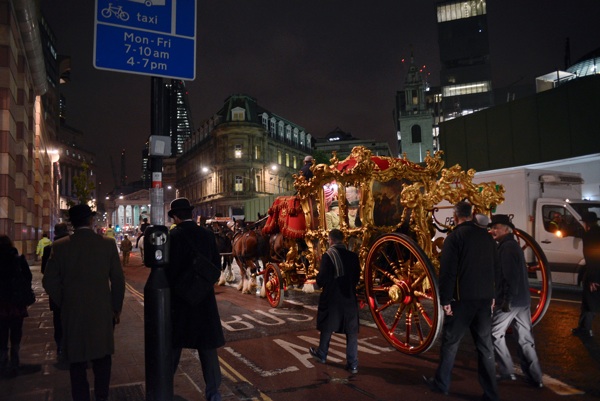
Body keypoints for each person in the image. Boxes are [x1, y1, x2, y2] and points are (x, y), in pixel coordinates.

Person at [43, 204, 125, 401]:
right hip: (102, 311)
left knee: (77, 362)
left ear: (72, 222)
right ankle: (101, 397)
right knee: (102, 359)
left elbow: (49, 280)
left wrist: (65, 301)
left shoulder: (59, 246)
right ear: (90, 220)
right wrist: (116, 308)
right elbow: (118, 281)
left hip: (73, 313)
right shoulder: (106, 244)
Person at [423, 201, 500, 401]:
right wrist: (493, 296)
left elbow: (447, 272)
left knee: (450, 343)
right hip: (484, 300)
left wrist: (446, 299)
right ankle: (491, 392)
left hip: (462, 299)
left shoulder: (454, 237)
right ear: (472, 214)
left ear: (455, 217)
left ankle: (442, 385)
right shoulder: (487, 238)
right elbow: (495, 269)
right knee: (485, 346)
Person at [166, 198, 225, 401]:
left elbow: (167, 271)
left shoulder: (172, 236)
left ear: (175, 216)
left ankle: (164, 387)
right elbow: (217, 266)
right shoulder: (207, 235)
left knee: (173, 345)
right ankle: (214, 392)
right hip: (204, 299)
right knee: (207, 347)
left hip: (180, 300)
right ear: (190, 214)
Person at [489, 214, 543, 388]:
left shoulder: (506, 248)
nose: (492, 230)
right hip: (523, 300)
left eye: (496, 227)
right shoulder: (513, 246)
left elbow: (509, 277)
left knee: (495, 333)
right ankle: (536, 377)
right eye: (492, 227)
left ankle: (506, 371)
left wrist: (506, 301)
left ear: (507, 229)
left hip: (510, 301)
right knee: (525, 339)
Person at [309, 229, 361, 374]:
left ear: (331, 240)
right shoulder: (353, 256)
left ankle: (322, 353)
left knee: (327, 326)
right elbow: (356, 277)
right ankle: (353, 364)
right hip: (349, 297)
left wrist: (315, 284)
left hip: (332, 297)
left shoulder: (328, 256)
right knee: (351, 332)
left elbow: (322, 278)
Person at [0, 235, 33, 377]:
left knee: (1, 330)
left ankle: (2, 357)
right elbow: (28, 277)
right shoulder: (18, 259)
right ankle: (15, 356)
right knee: (16, 328)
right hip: (15, 302)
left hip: (1, 302)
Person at [41, 222, 70, 359]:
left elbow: (44, 272)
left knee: (57, 320)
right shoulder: (74, 246)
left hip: (57, 294)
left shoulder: (49, 249)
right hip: (73, 292)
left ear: (55, 233)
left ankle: (60, 346)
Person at [572, 211, 600, 338]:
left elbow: (594, 257)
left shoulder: (592, 236)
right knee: (588, 300)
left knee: (590, 301)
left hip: (594, 272)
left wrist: (594, 278)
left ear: (586, 223)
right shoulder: (594, 233)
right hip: (593, 271)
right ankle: (583, 327)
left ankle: (586, 329)